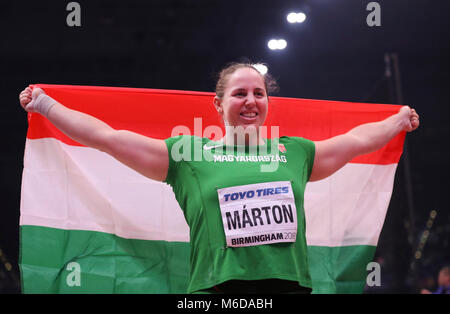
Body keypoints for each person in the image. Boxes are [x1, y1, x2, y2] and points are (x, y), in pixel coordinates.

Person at [19, 62, 420, 294]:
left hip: (289, 287)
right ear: (218, 103)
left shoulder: (295, 152)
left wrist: (397, 120)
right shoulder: (189, 155)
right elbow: (106, 139)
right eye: (240, 93)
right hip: (215, 294)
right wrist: (46, 104)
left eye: (259, 93)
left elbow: (355, 141)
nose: (251, 101)